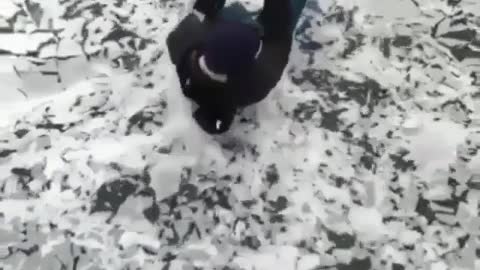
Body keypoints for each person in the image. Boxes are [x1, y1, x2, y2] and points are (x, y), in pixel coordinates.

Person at [166, 0, 308, 134]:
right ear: (248, 65)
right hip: (231, 29)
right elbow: (280, 39)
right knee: (281, 23)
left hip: (219, 30)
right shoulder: (255, 86)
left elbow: (198, 13)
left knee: (208, 12)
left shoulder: (182, 44)